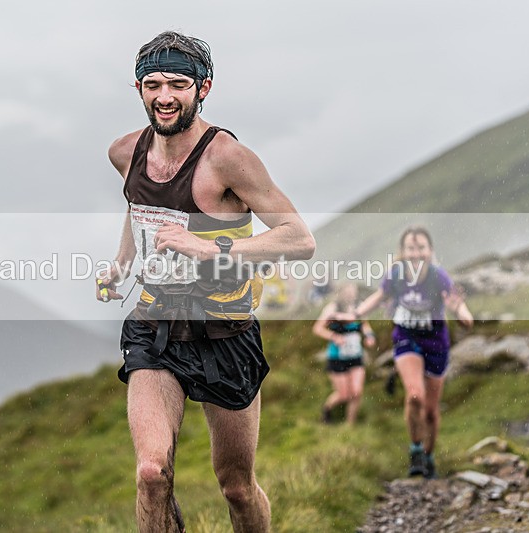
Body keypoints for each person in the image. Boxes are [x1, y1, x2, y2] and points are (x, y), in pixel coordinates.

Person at [97, 31, 315, 532]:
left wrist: (211, 246)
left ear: (204, 87)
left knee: (236, 487)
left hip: (226, 331)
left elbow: (298, 238)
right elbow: (140, 208)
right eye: (153, 84)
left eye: (178, 83)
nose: (165, 96)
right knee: (152, 473)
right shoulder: (124, 152)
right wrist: (121, 263)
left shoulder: (229, 159)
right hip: (155, 327)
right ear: (138, 89)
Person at [352, 226, 472, 479]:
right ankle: (416, 449)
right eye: (410, 248)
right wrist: (355, 315)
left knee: (430, 410)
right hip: (406, 338)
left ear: (430, 251)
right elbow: (379, 296)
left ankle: (429, 456)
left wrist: (461, 314)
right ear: (403, 252)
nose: (416, 253)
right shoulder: (395, 274)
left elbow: (462, 313)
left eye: (421, 248)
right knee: (415, 395)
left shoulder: (439, 277)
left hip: (436, 342)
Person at [312, 282, 375, 425]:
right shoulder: (332, 309)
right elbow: (317, 328)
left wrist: (370, 336)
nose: (350, 294)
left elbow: (365, 325)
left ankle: (349, 425)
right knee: (344, 394)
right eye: (347, 291)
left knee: (357, 392)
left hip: (356, 355)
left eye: (352, 291)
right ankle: (326, 410)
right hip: (337, 357)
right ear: (341, 293)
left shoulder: (359, 307)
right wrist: (334, 337)